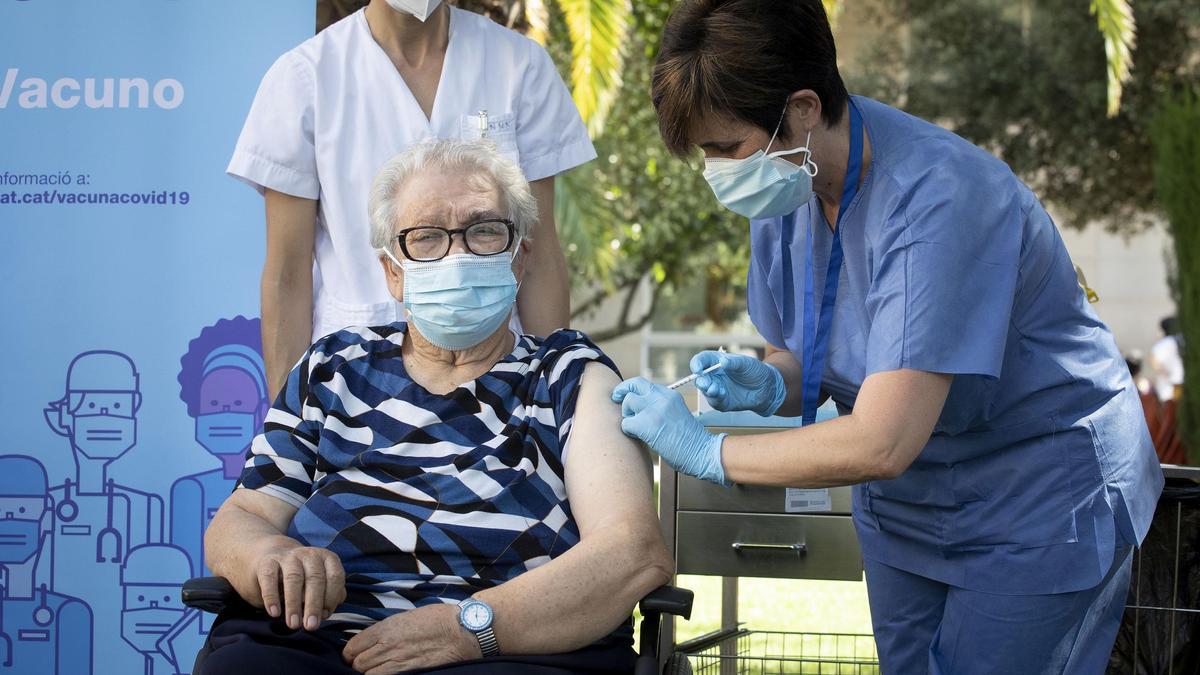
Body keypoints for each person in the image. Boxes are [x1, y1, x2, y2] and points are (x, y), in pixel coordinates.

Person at [611, 2, 1164, 672]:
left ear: (805, 109)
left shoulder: (941, 197)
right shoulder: (789, 183)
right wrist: (772, 381)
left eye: (726, 148)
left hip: (1039, 499)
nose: (717, 170)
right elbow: (808, 349)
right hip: (908, 508)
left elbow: (883, 438)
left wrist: (707, 450)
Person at [199, 140, 673, 675]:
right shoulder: (334, 366)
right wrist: (269, 555)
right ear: (392, 272)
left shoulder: (569, 376)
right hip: (319, 640)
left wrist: (467, 628)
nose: (459, 254)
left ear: (521, 256)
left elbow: (632, 552)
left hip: (507, 648)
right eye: (426, 237)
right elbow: (244, 516)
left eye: (485, 231)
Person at [228, 0, 595, 397]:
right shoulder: (305, 78)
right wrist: (290, 424)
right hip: (352, 384)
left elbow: (539, 256)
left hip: (498, 377)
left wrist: (549, 397)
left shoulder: (518, 66)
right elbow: (287, 274)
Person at [1149, 315, 1183, 402]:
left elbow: (1153, 360)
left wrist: (1164, 374)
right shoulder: (1182, 340)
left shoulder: (1164, 344)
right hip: (1182, 385)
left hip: (1168, 388)